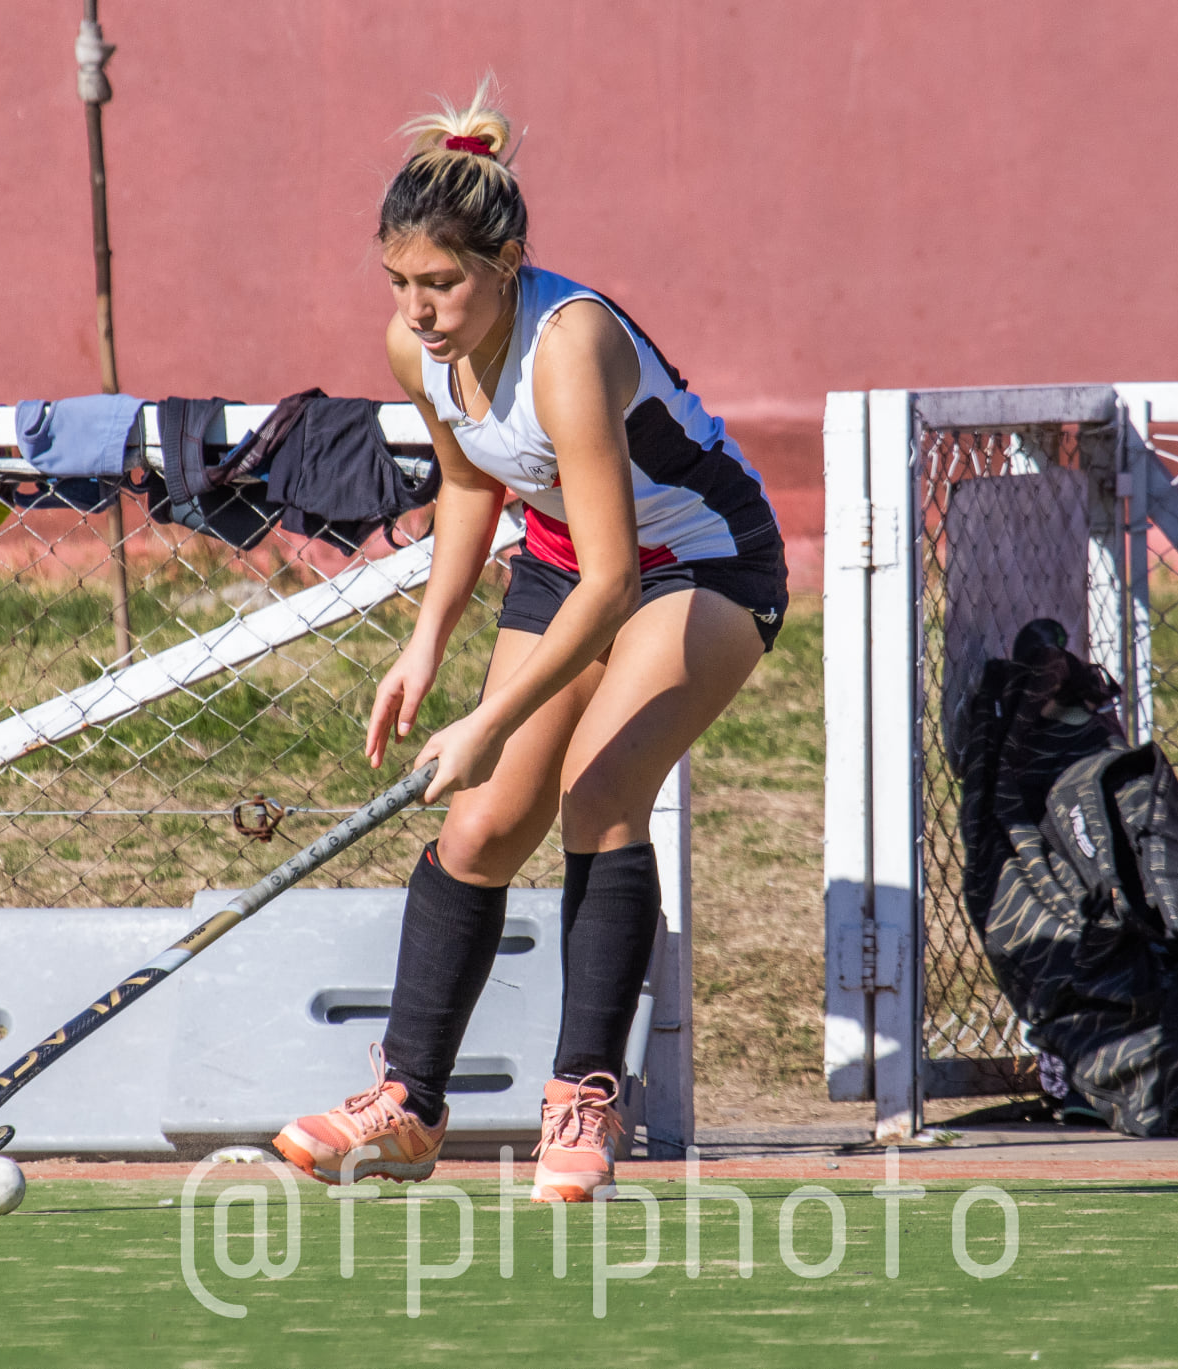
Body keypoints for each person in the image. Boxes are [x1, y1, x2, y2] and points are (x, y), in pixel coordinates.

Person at [272, 86, 785, 1202]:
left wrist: (485, 719)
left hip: (700, 562)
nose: (419, 309)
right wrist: (426, 648)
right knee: (486, 818)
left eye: (443, 283)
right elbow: (468, 487)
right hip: (570, 560)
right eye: (400, 283)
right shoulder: (422, 354)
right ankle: (408, 1106)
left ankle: (579, 1099)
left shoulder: (570, 344)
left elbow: (613, 582)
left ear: (506, 263)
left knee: (599, 790)